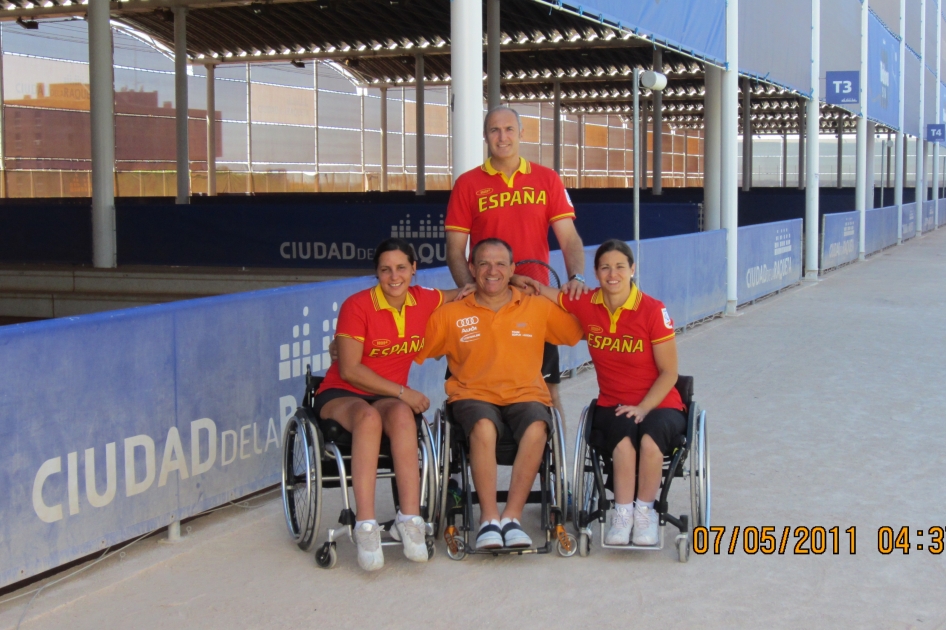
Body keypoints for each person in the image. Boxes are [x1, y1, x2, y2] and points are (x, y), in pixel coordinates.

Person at [312, 238, 472, 571]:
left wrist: (513, 280)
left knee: (403, 417)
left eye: (401, 268)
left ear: (414, 269)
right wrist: (403, 392)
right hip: (341, 393)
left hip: (388, 397)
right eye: (385, 270)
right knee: (371, 418)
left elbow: (463, 292)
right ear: (377, 273)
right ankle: (366, 525)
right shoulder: (357, 305)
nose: (394, 276)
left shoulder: (425, 299)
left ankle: (410, 519)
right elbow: (351, 370)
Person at [415, 238, 583, 549]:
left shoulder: (537, 306)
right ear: (471, 268)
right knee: (483, 426)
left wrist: (550, 290)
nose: (492, 271)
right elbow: (409, 348)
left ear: (513, 270)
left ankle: (512, 518)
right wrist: (345, 352)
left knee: (537, 427)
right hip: (472, 396)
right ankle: (489, 520)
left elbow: (581, 328)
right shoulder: (450, 314)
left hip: (526, 395)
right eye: (484, 264)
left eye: (501, 264)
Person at [522, 239, 685, 546]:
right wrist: (516, 280)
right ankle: (622, 517)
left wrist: (643, 408)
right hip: (613, 402)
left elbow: (670, 373)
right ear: (595, 272)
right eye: (605, 267)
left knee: (650, 442)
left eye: (620, 267)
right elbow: (543, 292)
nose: (613, 274)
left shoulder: (653, 310)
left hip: (660, 402)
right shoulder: (587, 303)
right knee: (623, 443)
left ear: (632, 270)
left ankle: (644, 514)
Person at [444, 106, 588, 425]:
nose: (502, 137)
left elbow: (570, 239)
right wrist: (468, 285)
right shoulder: (467, 184)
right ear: (485, 136)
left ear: (522, 134)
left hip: (534, 304)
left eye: (509, 129)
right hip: (484, 304)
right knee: (473, 389)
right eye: (494, 130)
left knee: (547, 393)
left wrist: (576, 276)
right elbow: (455, 250)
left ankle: (556, 470)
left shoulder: (547, 179)